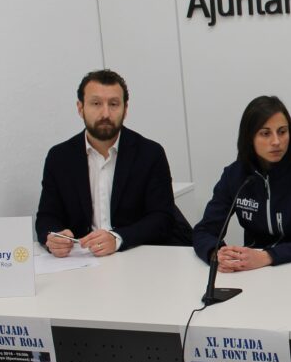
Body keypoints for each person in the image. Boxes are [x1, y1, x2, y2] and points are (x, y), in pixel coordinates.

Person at [35, 69, 191, 257]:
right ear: (80, 107)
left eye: (114, 104)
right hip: (82, 259)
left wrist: (117, 238)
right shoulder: (59, 157)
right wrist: (53, 237)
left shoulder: (149, 153)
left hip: (136, 256)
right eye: (96, 103)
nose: (105, 113)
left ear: (125, 109)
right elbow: (46, 217)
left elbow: (162, 218)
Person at [193, 95, 291, 271]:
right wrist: (217, 254)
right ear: (249, 137)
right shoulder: (235, 175)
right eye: (265, 133)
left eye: (282, 131)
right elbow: (204, 231)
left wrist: (267, 256)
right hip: (254, 272)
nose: (276, 141)